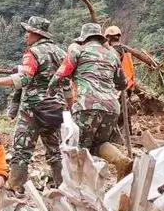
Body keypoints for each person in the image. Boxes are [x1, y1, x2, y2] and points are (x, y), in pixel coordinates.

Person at [0, 16, 67, 189]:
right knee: (55, 151)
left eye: (28, 31)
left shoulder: (32, 53)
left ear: (37, 34)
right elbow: (67, 83)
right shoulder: (61, 53)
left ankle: (16, 186)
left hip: (33, 110)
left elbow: (25, 77)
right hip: (55, 108)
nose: (26, 35)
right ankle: (64, 188)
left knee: (21, 149)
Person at [47, 23, 130, 175]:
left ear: (84, 39)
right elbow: (123, 84)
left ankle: (80, 184)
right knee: (99, 143)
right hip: (111, 107)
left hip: (87, 105)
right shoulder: (113, 55)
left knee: (77, 146)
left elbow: (59, 76)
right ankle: (120, 160)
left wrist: (50, 92)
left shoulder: (78, 52)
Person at [104, 25, 157, 91]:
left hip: (119, 85)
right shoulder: (125, 49)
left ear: (108, 38)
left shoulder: (112, 52)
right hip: (128, 82)